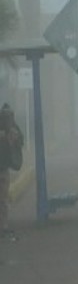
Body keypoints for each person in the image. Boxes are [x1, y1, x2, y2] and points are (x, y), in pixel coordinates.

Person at [0, 102, 23, 241]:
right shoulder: (9, 129)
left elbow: (19, 139)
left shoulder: (12, 129)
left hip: (4, 169)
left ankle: (3, 226)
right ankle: (3, 226)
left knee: (3, 199)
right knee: (3, 200)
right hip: (3, 170)